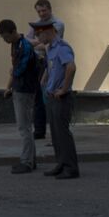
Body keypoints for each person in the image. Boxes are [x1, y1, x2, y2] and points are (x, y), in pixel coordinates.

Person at [33, 18, 79, 179]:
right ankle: (61, 163)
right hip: (52, 95)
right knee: (55, 133)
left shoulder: (61, 47)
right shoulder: (50, 49)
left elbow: (71, 67)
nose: (38, 39)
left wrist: (64, 89)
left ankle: (71, 167)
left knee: (62, 133)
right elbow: (52, 67)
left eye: (39, 35)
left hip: (62, 97)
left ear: (48, 32)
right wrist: (44, 80)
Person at [0, 19, 38, 174]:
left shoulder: (25, 46)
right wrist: (10, 86)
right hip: (20, 88)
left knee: (24, 127)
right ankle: (31, 160)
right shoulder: (15, 44)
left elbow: (19, 69)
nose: (4, 40)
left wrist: (12, 76)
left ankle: (26, 161)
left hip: (25, 90)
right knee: (26, 126)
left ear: (13, 32)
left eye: (6, 37)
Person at [25, 0, 63, 141]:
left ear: (50, 9)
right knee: (37, 98)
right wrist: (39, 42)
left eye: (44, 10)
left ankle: (56, 131)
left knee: (49, 95)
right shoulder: (36, 24)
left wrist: (37, 43)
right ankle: (39, 130)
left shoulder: (58, 24)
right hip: (37, 62)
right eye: (39, 11)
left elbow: (49, 43)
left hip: (51, 63)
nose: (41, 14)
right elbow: (28, 41)